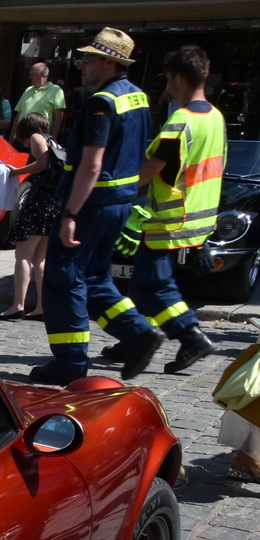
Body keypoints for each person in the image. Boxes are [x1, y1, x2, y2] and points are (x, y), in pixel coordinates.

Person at [32, 28, 164, 384]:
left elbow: (92, 163)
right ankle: (138, 333)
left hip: (90, 201)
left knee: (63, 279)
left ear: (109, 62)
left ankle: (70, 363)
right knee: (95, 277)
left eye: (89, 59)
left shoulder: (101, 102)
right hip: (119, 201)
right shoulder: (137, 97)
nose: (82, 65)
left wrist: (71, 213)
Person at [122, 45, 224, 376]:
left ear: (178, 79)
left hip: (169, 219)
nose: (167, 85)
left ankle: (190, 335)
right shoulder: (216, 117)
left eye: (167, 79)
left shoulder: (180, 121)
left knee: (154, 284)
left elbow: (152, 168)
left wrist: (118, 189)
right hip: (198, 218)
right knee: (143, 284)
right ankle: (133, 337)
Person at [0, 112, 65, 320]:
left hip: (39, 201)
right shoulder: (53, 140)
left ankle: (17, 305)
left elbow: (43, 163)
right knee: (40, 258)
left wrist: (15, 172)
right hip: (53, 202)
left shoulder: (37, 137)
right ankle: (42, 307)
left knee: (23, 256)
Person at [12, 62, 65, 142]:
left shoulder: (56, 91)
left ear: (43, 74)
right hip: (19, 139)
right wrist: (11, 138)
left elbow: (58, 117)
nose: (29, 77)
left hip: (39, 140)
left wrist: (53, 139)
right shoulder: (28, 90)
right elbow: (18, 116)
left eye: (32, 74)